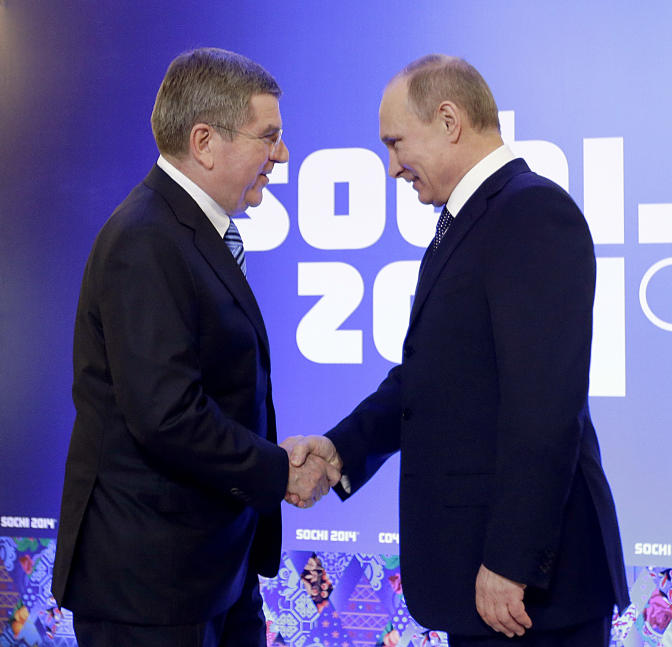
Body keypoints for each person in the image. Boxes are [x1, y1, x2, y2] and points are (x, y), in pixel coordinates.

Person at [314, 54, 630, 645]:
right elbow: (431, 379)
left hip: (529, 594)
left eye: (396, 142)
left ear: (449, 119)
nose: (391, 168)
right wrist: (340, 450)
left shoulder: (531, 212)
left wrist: (512, 560)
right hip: (486, 587)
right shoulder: (470, 221)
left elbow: (545, 407)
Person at [52, 47, 339, 647]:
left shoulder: (181, 231)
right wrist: (277, 470)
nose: (281, 155)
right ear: (205, 141)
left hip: (211, 573)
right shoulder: (146, 239)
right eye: (270, 136)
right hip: (151, 588)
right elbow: (167, 415)